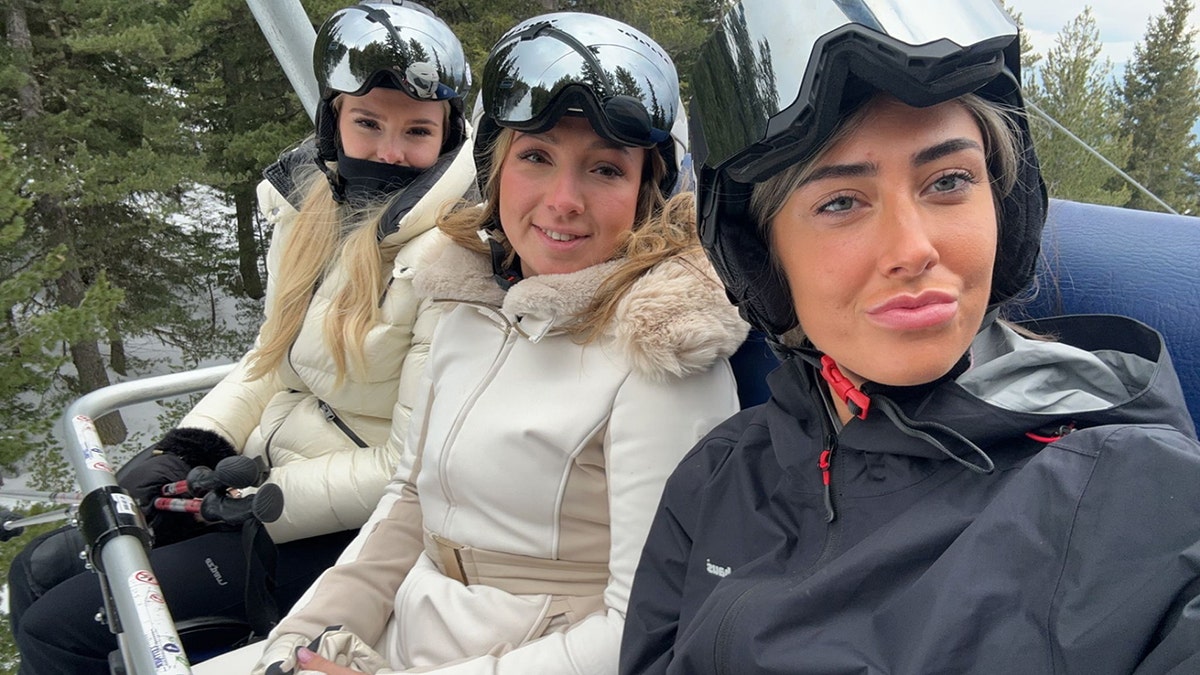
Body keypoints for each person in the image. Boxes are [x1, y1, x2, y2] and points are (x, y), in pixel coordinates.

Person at [620, 1, 1200, 673]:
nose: (912, 248)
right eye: (840, 201)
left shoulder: (1135, 494)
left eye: (949, 181)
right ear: (766, 258)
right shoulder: (719, 477)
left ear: (1001, 208)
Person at [246, 12, 747, 675]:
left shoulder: (662, 356)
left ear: (645, 193)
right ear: (495, 167)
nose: (563, 199)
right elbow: (408, 501)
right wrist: (299, 640)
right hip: (397, 637)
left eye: (603, 169)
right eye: (536, 157)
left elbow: (647, 624)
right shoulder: (469, 304)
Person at [10, 2, 475, 673]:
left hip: (348, 527)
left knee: (65, 629)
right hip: (259, 481)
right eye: (367, 123)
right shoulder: (313, 210)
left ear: (447, 138)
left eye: (417, 132)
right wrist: (184, 449)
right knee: (34, 570)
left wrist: (255, 507)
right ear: (333, 122)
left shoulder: (448, 260)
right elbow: (269, 360)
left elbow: (407, 463)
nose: (390, 151)